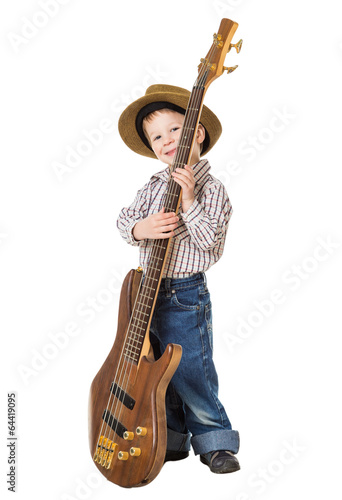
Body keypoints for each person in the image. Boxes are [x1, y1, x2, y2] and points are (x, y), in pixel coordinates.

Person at [116, 84, 240, 474]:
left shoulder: (212, 190)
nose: (166, 141)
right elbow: (123, 222)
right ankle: (169, 439)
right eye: (157, 137)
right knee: (153, 370)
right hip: (146, 293)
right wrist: (141, 227)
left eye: (175, 130)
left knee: (191, 371)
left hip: (185, 294)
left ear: (196, 132)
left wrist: (189, 204)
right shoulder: (153, 185)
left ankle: (214, 440)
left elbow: (210, 246)